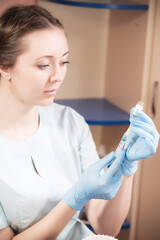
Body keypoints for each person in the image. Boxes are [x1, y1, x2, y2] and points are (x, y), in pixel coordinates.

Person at [0, 4, 159, 240]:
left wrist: (126, 169)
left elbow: (106, 227)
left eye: (64, 62)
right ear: (4, 67)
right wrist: (74, 199)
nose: (58, 76)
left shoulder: (71, 122)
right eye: (44, 65)